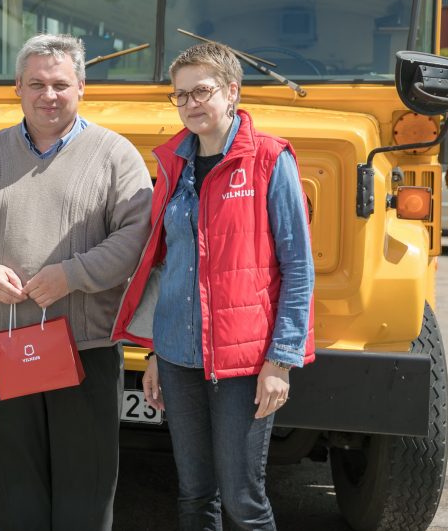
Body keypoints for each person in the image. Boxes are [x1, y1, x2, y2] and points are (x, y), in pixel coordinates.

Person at [0, 33, 152, 530]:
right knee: (15, 492)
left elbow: (136, 238)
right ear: (18, 88)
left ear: (81, 88)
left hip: (86, 350)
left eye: (59, 84)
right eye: (37, 84)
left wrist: (72, 275)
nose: (48, 95)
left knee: (86, 492)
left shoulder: (116, 156)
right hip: (6, 349)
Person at [111, 41, 315, 530]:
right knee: (194, 494)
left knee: (243, 500)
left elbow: (298, 268)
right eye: (180, 96)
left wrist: (280, 362)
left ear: (231, 92)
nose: (190, 104)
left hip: (244, 363)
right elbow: (165, 263)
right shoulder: (173, 165)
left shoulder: (269, 160)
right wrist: (156, 352)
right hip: (179, 358)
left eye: (201, 91)